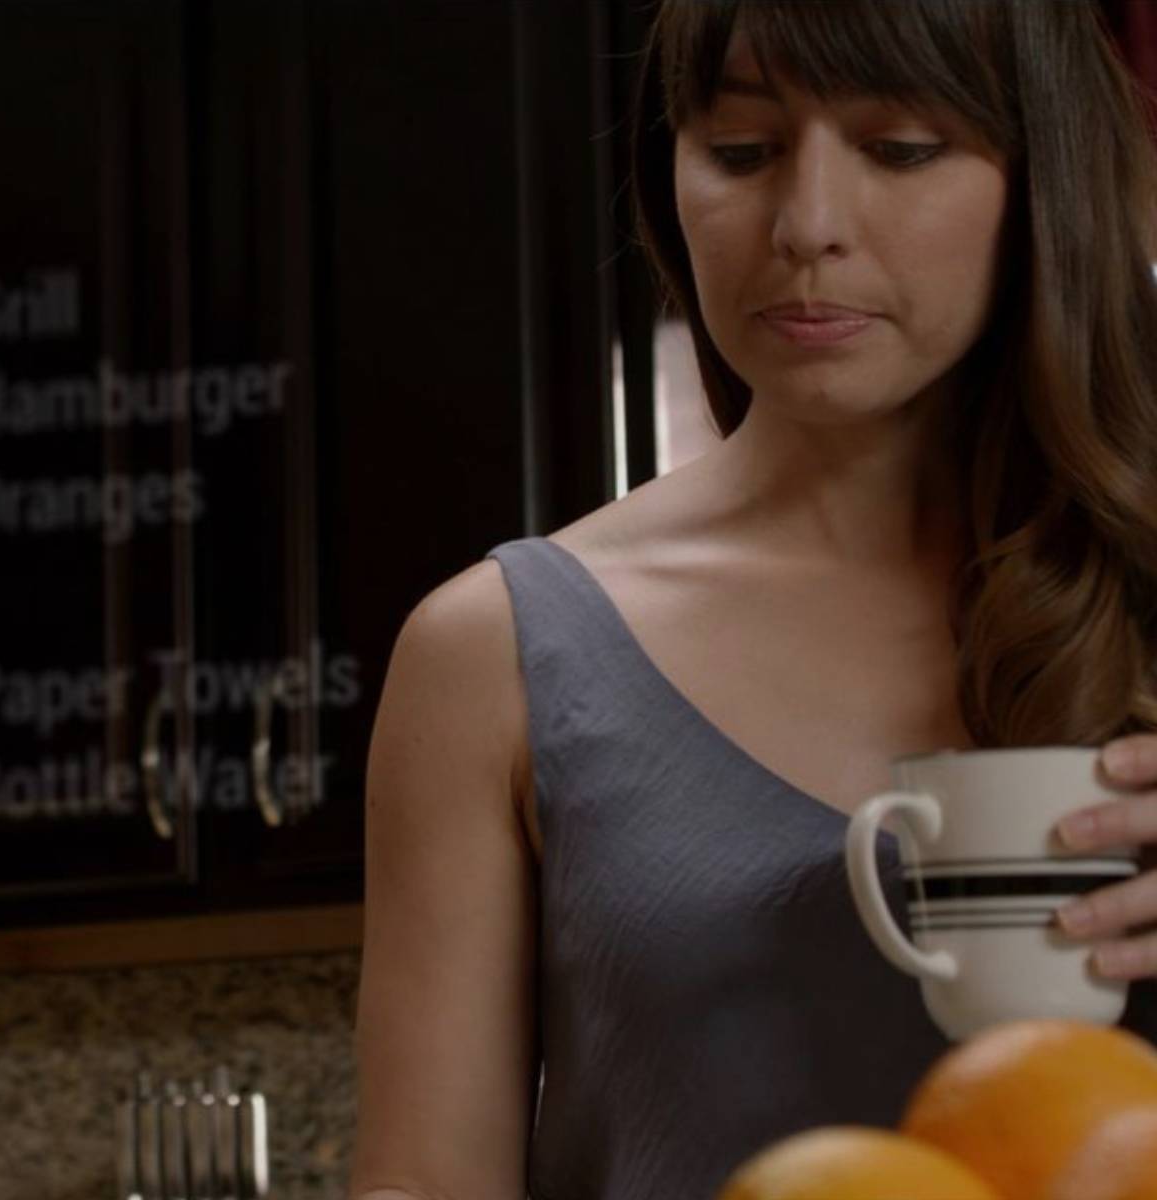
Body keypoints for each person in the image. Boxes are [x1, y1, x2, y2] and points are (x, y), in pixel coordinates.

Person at [348, 1, 1157, 1198]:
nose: (806, 226)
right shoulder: (497, 656)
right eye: (739, 151)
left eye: (901, 149)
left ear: (1044, 175)